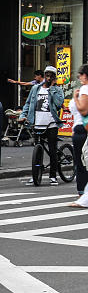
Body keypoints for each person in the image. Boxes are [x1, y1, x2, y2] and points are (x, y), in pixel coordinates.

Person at [22, 66, 64, 186]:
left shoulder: (57, 90)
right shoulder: (36, 88)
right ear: (44, 76)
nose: (48, 77)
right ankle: (35, 174)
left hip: (51, 125)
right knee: (37, 151)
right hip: (37, 124)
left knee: (52, 151)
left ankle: (53, 175)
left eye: (51, 75)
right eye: (47, 75)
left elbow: (59, 103)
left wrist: (52, 89)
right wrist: (23, 115)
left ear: (54, 77)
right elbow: (28, 103)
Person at [69, 64, 88, 201]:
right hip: (80, 127)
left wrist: (75, 97)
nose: (79, 78)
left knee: (81, 163)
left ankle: (82, 194)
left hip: (82, 128)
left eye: (80, 75)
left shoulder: (84, 89)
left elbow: (83, 110)